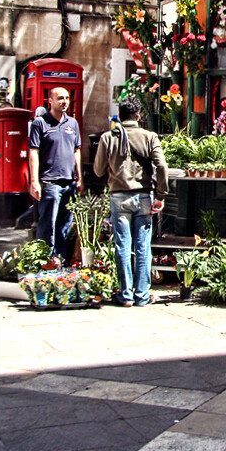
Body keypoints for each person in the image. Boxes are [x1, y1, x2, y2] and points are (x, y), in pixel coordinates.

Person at [93, 94, 169, 307]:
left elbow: (98, 170)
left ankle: (125, 295)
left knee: (122, 245)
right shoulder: (149, 136)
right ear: (139, 115)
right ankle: (142, 295)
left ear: (120, 115)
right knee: (143, 245)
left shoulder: (108, 137)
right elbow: (162, 166)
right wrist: (161, 195)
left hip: (118, 196)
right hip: (144, 196)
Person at [28, 87, 83, 262]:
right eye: (60, 98)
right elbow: (33, 152)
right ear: (50, 101)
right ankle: (44, 261)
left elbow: (77, 151)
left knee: (64, 225)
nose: (64, 101)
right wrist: (34, 181)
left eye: (67, 98)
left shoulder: (72, 123)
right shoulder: (40, 123)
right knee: (47, 224)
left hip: (69, 182)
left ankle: (60, 260)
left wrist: (79, 177)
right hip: (50, 181)